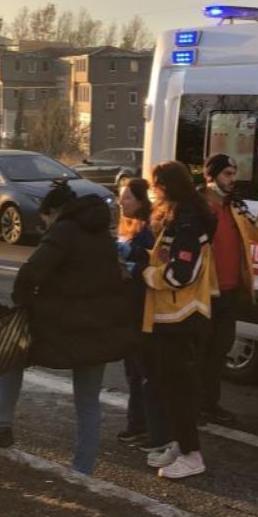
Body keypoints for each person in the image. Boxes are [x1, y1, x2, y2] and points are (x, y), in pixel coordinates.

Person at [0, 180, 133, 474]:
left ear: (54, 211)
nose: (46, 225)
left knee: (10, 353)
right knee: (88, 401)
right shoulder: (103, 234)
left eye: (46, 220)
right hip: (100, 329)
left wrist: (23, 305)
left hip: (61, 328)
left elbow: (30, 273)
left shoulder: (64, 230)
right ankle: (83, 470)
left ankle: (0, 425)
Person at [142, 161, 217, 480]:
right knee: (170, 388)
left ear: (167, 186)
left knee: (180, 390)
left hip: (183, 318)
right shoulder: (180, 217)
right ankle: (180, 443)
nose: (153, 191)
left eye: (155, 185)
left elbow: (180, 274)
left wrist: (147, 274)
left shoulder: (188, 223)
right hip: (172, 317)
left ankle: (191, 453)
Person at [198, 153, 258, 425]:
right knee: (200, 351)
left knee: (220, 349)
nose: (233, 179)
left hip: (229, 289)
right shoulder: (200, 204)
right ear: (212, 175)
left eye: (234, 174)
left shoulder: (235, 205)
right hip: (204, 289)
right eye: (227, 174)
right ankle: (194, 405)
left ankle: (210, 403)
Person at [115, 177, 165, 450]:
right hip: (128, 307)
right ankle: (137, 425)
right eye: (121, 196)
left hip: (142, 308)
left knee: (142, 370)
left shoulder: (148, 228)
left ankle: (144, 427)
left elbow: (152, 262)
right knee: (133, 370)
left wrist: (131, 258)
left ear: (141, 201)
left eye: (128, 198)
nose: (122, 201)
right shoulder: (128, 223)